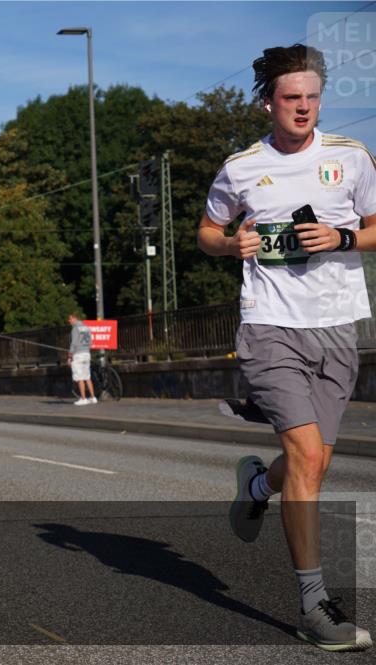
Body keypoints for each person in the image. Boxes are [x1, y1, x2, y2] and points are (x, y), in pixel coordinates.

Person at [197, 44, 374, 652]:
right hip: (269, 325)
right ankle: (314, 604)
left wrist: (343, 234)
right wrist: (231, 245)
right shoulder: (243, 167)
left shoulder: (350, 158)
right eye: (291, 98)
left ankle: (255, 487)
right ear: (269, 102)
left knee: (312, 466)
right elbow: (207, 231)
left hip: (336, 325)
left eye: (312, 97)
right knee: (305, 457)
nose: (303, 107)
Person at [67, 313, 96, 406]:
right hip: (87, 353)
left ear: (75, 318)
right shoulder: (87, 327)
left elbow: (74, 342)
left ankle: (83, 399)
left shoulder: (75, 328)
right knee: (87, 377)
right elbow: (91, 342)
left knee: (79, 377)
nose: (69, 321)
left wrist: (70, 355)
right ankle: (93, 397)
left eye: (70, 319)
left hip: (78, 354)